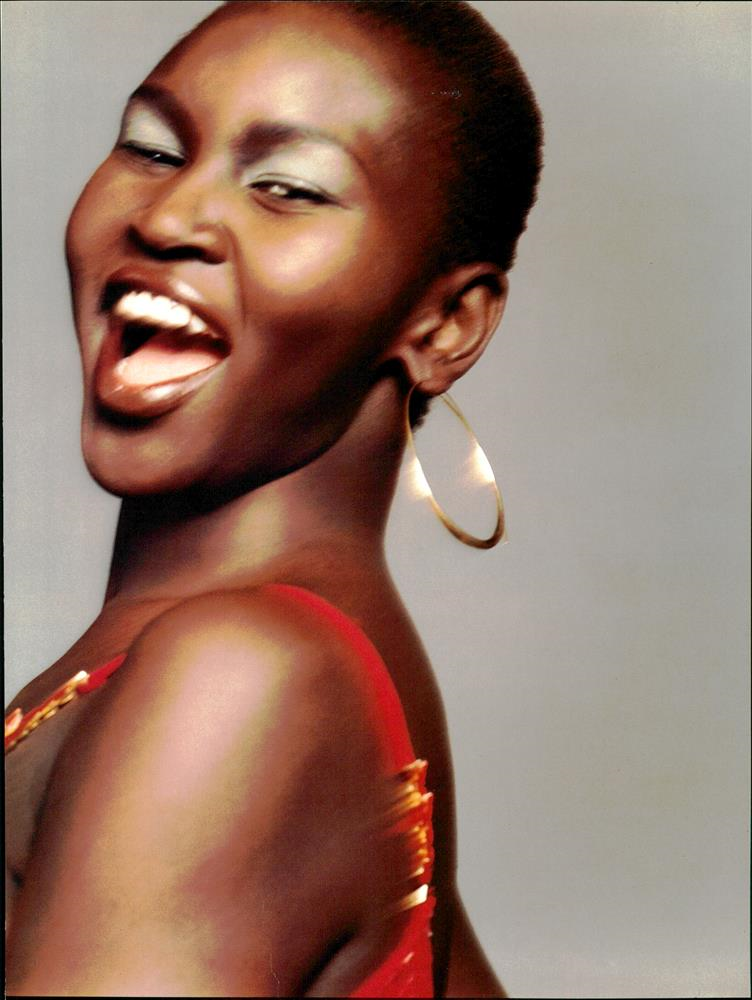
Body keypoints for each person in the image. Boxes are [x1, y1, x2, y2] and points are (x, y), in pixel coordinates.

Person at [5, 1, 542, 995]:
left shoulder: (243, 679)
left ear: (443, 324)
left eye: (286, 188)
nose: (166, 218)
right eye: (152, 148)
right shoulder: (266, 657)